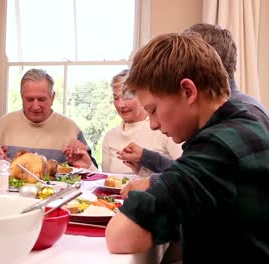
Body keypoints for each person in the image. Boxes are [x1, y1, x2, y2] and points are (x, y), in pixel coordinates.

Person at [105, 33, 269, 262]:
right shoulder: (245, 124)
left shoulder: (218, 148)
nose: (152, 124)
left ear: (188, 92)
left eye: (153, 109)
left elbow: (121, 236)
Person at [118, 23, 269, 192]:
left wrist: (154, 184)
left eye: (153, 110)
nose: (153, 124)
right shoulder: (213, 124)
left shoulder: (239, 123)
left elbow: (197, 175)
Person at [66, 70, 182, 174]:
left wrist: (145, 161)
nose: (121, 104)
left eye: (128, 96)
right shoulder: (110, 136)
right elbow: (108, 182)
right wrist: (89, 167)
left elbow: (187, 175)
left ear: (142, 95)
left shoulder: (165, 130)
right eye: (116, 98)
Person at [0, 68, 97, 167]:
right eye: (30, 99)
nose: (35, 106)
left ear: (52, 98)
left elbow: (90, 170)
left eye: (41, 99)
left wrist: (81, 160)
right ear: (22, 97)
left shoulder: (70, 128)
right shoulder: (5, 123)